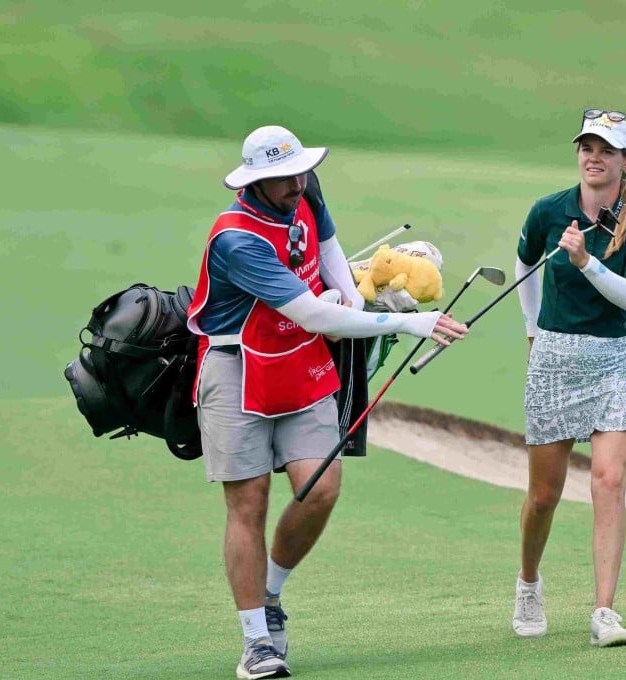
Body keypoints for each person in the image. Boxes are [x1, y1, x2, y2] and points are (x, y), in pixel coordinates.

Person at [186, 125, 468, 679]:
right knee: (250, 503)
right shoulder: (236, 238)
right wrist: (409, 321)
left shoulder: (305, 186)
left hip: (300, 361)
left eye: (299, 172)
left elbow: (331, 253)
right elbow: (312, 314)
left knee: (320, 487)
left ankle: (270, 593)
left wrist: (360, 301)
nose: (296, 183)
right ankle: (256, 645)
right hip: (237, 367)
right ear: (256, 182)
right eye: (282, 178)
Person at [511, 109, 626, 647]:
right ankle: (528, 583)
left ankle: (604, 612)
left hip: (615, 361)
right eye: (586, 147)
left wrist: (587, 264)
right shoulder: (549, 210)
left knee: (609, 481)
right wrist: (532, 331)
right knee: (544, 496)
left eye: (606, 149)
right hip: (553, 357)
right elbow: (524, 264)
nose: (593, 157)